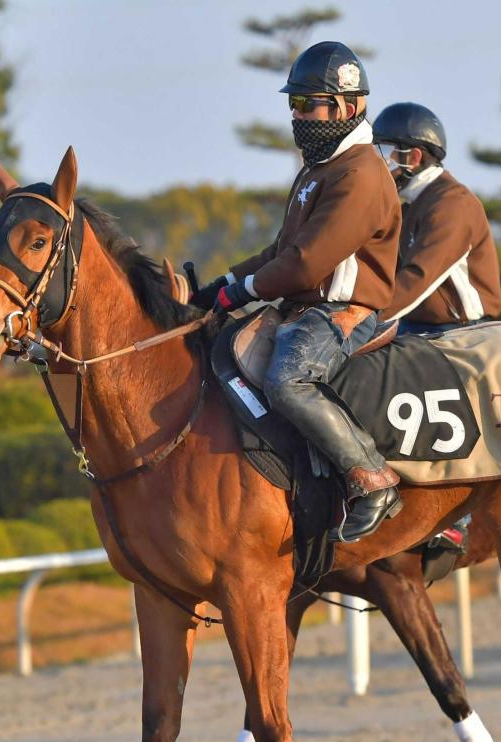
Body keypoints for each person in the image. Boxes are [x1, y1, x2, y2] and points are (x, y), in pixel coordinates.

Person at [191, 42, 403, 543]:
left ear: (350, 107)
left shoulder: (362, 173)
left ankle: (370, 478)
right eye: (294, 104)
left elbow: (308, 262)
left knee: (288, 379)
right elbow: (283, 249)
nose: (298, 115)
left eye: (310, 104)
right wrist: (221, 285)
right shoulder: (319, 168)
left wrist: (241, 292)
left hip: (343, 312)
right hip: (304, 306)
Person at [372, 102, 501, 334]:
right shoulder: (408, 205)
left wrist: (363, 319)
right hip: (412, 324)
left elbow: (418, 277)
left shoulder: (453, 203)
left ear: (413, 157)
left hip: (459, 329)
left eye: (386, 152)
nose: (380, 164)